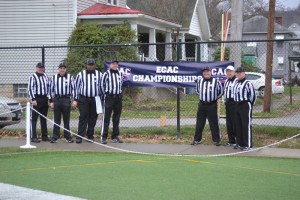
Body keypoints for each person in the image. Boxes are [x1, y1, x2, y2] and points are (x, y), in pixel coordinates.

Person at [191, 66, 224, 146]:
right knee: (199, 123)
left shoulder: (216, 81)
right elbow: (198, 91)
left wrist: (213, 99)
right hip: (202, 104)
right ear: (203, 73)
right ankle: (197, 140)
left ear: (210, 72)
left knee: (214, 122)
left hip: (212, 105)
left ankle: (217, 140)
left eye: (207, 71)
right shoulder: (200, 81)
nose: (206, 73)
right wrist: (204, 98)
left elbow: (221, 92)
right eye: (204, 72)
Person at [73, 59, 103, 143]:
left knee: (93, 118)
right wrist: (75, 99)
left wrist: (101, 99)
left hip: (95, 99)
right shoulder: (80, 74)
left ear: (94, 65)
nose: (91, 66)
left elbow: (102, 87)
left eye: (92, 64)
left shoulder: (99, 74)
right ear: (86, 65)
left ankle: (90, 136)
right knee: (83, 117)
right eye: (89, 64)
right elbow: (76, 87)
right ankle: (79, 136)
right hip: (83, 99)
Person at [49, 63, 75, 143]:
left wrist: (74, 100)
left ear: (66, 69)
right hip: (57, 99)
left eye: (64, 68)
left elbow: (74, 89)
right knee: (56, 119)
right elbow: (50, 90)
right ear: (58, 69)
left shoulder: (70, 77)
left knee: (66, 119)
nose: (62, 70)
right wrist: (51, 101)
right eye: (61, 68)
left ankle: (68, 137)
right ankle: (55, 137)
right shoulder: (54, 78)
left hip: (66, 99)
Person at [100, 59, 124, 144]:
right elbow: (102, 85)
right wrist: (106, 94)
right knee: (106, 117)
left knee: (116, 118)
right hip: (109, 97)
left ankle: (115, 136)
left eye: (116, 64)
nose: (115, 65)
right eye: (113, 64)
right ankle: (103, 137)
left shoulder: (120, 73)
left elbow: (121, 84)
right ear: (110, 65)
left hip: (118, 98)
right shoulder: (106, 74)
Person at [233, 67, 256, 151]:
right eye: (237, 73)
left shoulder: (248, 83)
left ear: (244, 73)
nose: (238, 74)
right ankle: (240, 143)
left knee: (245, 125)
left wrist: (249, 104)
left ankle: (248, 145)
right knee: (238, 125)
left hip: (245, 105)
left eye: (240, 72)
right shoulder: (236, 82)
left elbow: (253, 96)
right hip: (237, 105)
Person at [27, 62, 50, 143]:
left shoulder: (46, 76)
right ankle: (33, 137)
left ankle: (44, 136)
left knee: (44, 118)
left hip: (44, 99)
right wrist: (33, 99)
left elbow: (48, 88)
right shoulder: (32, 77)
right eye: (39, 67)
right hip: (36, 99)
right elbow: (30, 89)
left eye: (42, 67)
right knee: (34, 119)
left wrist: (49, 99)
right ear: (36, 68)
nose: (41, 69)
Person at [223, 65, 238, 146]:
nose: (229, 73)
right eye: (227, 71)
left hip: (235, 103)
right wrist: (224, 101)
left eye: (230, 71)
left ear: (234, 72)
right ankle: (231, 141)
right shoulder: (226, 81)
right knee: (229, 123)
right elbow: (224, 92)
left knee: (235, 122)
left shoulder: (237, 80)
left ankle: (238, 141)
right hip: (228, 103)